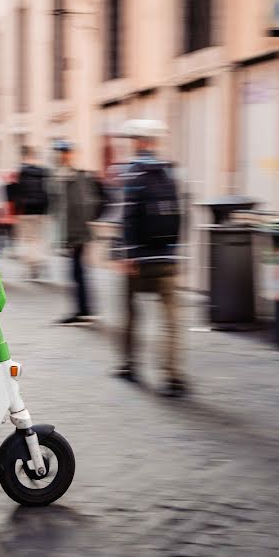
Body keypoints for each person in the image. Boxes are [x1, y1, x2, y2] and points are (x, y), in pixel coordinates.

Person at [114, 119, 187, 397]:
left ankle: (130, 365)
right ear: (155, 143)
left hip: (140, 260)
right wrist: (176, 251)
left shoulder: (132, 174)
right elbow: (180, 214)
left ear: (138, 142)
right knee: (170, 320)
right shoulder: (170, 173)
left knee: (132, 313)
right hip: (166, 257)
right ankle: (172, 375)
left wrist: (127, 254)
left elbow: (128, 216)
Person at [53, 139, 105, 326]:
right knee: (78, 272)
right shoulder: (66, 176)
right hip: (74, 233)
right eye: (60, 152)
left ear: (71, 153)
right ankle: (84, 310)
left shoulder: (77, 177)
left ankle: (84, 310)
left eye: (64, 152)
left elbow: (82, 206)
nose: (61, 156)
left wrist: (76, 236)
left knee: (77, 272)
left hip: (78, 234)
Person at [14, 145, 51, 279]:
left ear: (24, 157)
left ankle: (31, 265)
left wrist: (18, 210)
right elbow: (48, 191)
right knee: (38, 237)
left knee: (28, 238)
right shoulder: (43, 171)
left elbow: (17, 192)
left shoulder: (21, 171)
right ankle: (39, 260)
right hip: (41, 210)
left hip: (26, 210)